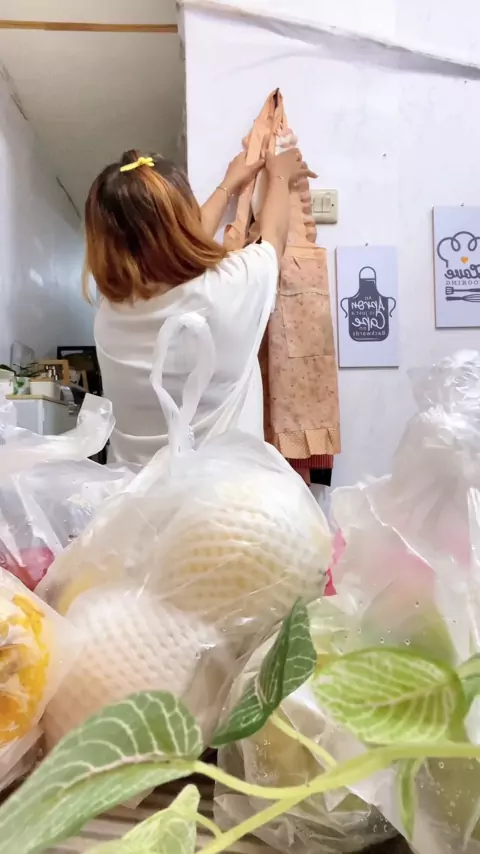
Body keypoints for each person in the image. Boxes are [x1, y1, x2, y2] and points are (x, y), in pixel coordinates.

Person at [84, 147, 314, 465]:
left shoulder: (109, 315)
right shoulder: (230, 287)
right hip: (229, 492)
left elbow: (168, 248)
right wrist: (280, 174)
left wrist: (228, 184)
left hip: (135, 493)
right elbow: (273, 235)